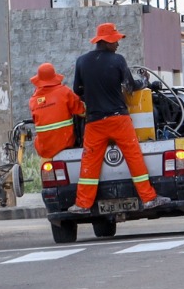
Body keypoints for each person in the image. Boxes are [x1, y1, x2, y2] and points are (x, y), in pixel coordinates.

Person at [68, 23, 163, 214]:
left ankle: (83, 204)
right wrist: (144, 81)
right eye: (115, 40)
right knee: (134, 157)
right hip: (119, 119)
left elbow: (77, 91)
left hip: (94, 122)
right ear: (106, 41)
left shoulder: (81, 62)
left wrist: (93, 97)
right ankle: (148, 198)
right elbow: (130, 86)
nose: (118, 44)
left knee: (89, 163)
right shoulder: (118, 60)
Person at [27, 62, 82, 160]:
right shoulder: (65, 92)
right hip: (66, 143)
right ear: (54, 77)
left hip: (45, 149)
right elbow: (81, 111)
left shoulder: (33, 100)